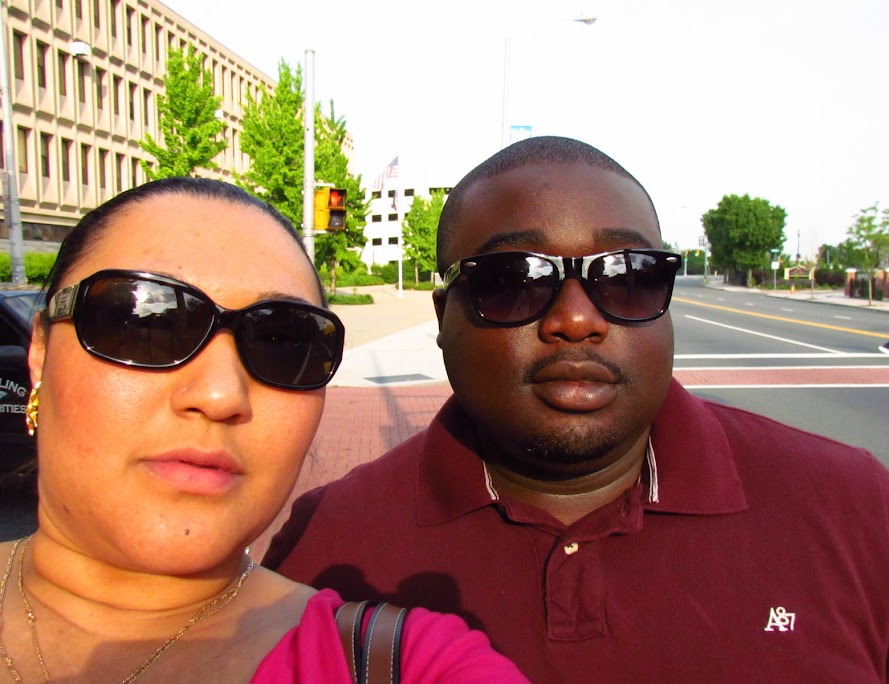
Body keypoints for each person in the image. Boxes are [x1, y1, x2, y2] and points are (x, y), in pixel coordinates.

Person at [264, 136, 889, 683]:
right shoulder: (330, 546)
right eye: (515, 279)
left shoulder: (856, 511)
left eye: (627, 275)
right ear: (444, 319)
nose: (576, 320)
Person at [0, 177, 527, 683]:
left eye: (283, 341)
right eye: (146, 324)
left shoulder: (412, 664)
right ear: (40, 352)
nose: (220, 396)